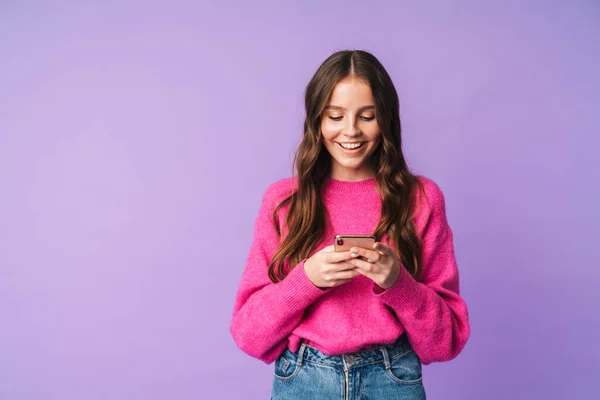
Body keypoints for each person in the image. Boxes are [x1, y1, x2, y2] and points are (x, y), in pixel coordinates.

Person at [230, 49, 470, 399]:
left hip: (393, 380)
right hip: (305, 380)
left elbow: (445, 343)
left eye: (367, 116)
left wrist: (397, 282)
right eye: (335, 116)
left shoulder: (421, 199)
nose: (351, 130)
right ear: (316, 120)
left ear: (386, 118)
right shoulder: (284, 202)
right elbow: (249, 336)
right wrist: (307, 279)